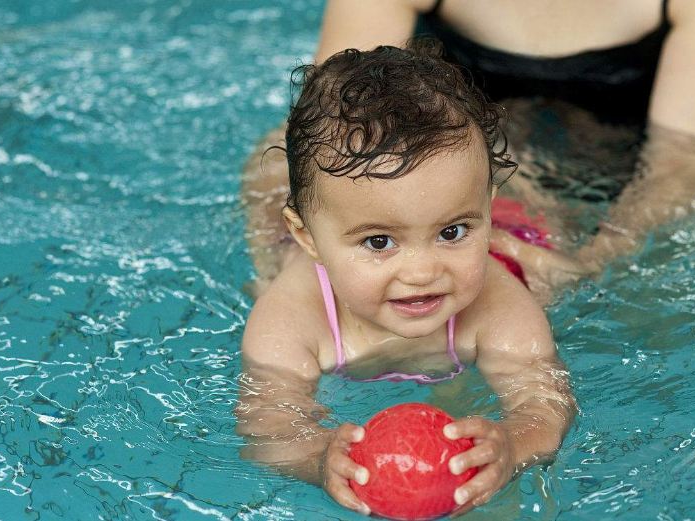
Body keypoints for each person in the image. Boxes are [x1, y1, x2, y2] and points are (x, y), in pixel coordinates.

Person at [235, 41, 576, 517]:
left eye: (453, 232)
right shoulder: (290, 319)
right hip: (311, 237)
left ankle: (516, 168)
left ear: (485, 212)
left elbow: (546, 403)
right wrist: (316, 456)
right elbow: (265, 427)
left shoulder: (499, 301)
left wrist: (513, 445)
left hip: (515, 234)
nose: (421, 273)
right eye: (378, 242)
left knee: (562, 268)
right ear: (308, 238)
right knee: (270, 203)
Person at [243, 0, 695, 294]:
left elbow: (687, 161)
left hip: (617, 173)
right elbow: (338, 112)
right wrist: (295, 262)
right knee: (269, 174)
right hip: (448, 152)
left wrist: (596, 261)